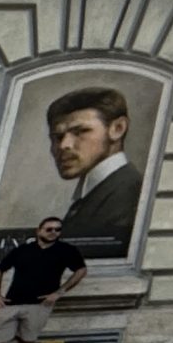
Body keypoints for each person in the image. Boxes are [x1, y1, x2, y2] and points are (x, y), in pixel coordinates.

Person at [41, 88, 142, 253]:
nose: (64, 145)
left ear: (118, 128)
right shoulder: (103, 193)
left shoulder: (130, 194)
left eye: (80, 131)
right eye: (57, 137)